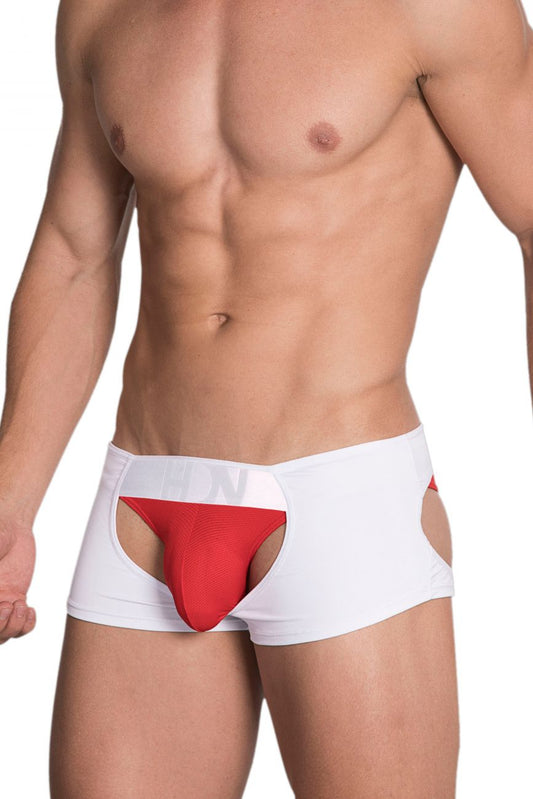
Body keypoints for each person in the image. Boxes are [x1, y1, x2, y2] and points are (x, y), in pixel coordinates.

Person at [0, 0, 532, 796]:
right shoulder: (102, 9)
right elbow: (76, 250)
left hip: (342, 498)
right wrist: (9, 502)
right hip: (142, 500)